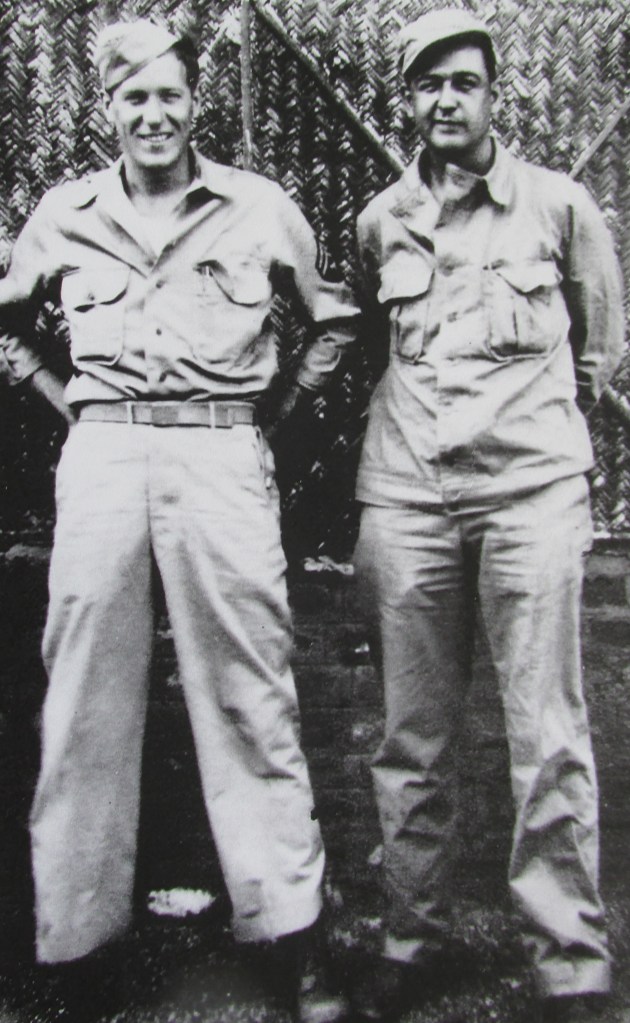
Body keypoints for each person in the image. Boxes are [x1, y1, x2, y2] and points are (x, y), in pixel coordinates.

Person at [0, 19, 358, 1023]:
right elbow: (9, 316)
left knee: (253, 690)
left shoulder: (258, 208)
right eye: (133, 99)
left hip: (220, 456)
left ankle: (292, 932)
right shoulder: (64, 214)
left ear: (193, 101)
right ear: (106, 108)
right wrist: (62, 395)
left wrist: (269, 417)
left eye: (168, 96)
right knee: (80, 701)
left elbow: (329, 319)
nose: (152, 115)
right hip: (106, 457)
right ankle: (75, 947)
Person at [351, 9, 625, 1023]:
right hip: (408, 499)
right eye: (427, 86)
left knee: (547, 731)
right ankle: (411, 940)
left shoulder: (559, 208)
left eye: (463, 82)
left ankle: (567, 955)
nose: (446, 101)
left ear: (492, 91)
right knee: (411, 736)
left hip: (531, 500)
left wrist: (537, 438)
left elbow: (600, 350)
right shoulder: (383, 220)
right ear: (409, 101)